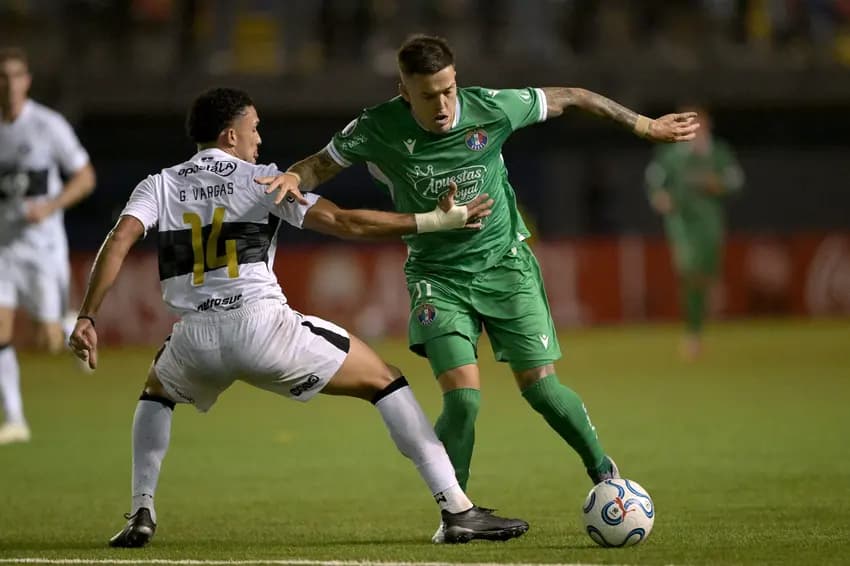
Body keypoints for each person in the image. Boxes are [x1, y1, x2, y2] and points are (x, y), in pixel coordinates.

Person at [258, 34, 699, 543]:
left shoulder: (491, 107)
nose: (443, 104)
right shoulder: (376, 126)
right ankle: (456, 515)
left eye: (448, 89)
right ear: (404, 90)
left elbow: (575, 95)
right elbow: (318, 165)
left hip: (506, 266)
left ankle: (604, 472)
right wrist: (293, 177)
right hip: (436, 275)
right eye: (428, 95)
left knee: (542, 389)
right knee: (463, 401)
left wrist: (644, 125)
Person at [68, 87, 527, 548]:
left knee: (156, 392)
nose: (259, 140)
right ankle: (456, 509)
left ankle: (142, 510)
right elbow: (346, 223)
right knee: (385, 380)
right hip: (262, 326)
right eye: (254, 129)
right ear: (230, 135)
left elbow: (120, 238)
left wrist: (89, 314)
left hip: (195, 338)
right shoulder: (266, 180)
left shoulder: (159, 185)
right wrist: (432, 221)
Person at [0, 47, 96, 445]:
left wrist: (52, 205)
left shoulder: (46, 125)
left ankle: (68, 324)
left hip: (42, 248)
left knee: (47, 341)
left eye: (16, 76)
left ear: (27, 80)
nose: (9, 85)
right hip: (2, 247)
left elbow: (85, 177)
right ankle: (15, 419)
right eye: (2, 77)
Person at [645, 106, 743, 359]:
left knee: (703, 277)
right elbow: (654, 179)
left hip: (710, 222)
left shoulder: (717, 152)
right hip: (682, 221)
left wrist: (718, 184)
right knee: (689, 270)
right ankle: (692, 334)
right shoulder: (671, 154)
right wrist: (660, 196)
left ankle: (697, 328)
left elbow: (735, 179)